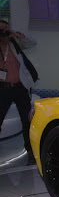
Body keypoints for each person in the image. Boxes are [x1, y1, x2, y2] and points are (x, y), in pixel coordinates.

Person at [0, 20, 38, 161]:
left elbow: (32, 42)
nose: (3, 32)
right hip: (3, 89)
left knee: (27, 121)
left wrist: (15, 34)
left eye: (6, 28)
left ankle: (31, 151)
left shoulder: (14, 43)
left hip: (19, 87)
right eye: (1, 29)